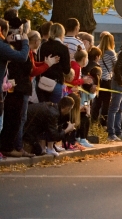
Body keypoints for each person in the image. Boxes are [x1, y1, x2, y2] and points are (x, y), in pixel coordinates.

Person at [0, 17, 33, 157]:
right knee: (13, 119)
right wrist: (25, 42)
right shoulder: (6, 46)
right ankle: (9, 146)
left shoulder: (4, 45)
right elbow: (23, 59)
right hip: (15, 86)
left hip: (8, 85)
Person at [37, 23, 71, 103]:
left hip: (43, 81)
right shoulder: (63, 49)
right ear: (62, 33)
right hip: (56, 82)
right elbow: (67, 70)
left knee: (43, 109)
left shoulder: (43, 46)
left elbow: (39, 62)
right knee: (55, 110)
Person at [78, 46, 102, 148]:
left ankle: (79, 137)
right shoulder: (93, 76)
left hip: (82, 99)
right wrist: (94, 93)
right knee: (86, 118)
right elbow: (91, 93)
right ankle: (83, 138)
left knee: (81, 118)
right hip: (85, 101)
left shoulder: (85, 72)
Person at [91, 32, 116, 127]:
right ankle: (103, 123)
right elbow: (116, 65)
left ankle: (93, 120)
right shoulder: (111, 52)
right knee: (106, 103)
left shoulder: (97, 49)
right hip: (107, 79)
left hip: (98, 78)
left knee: (97, 101)